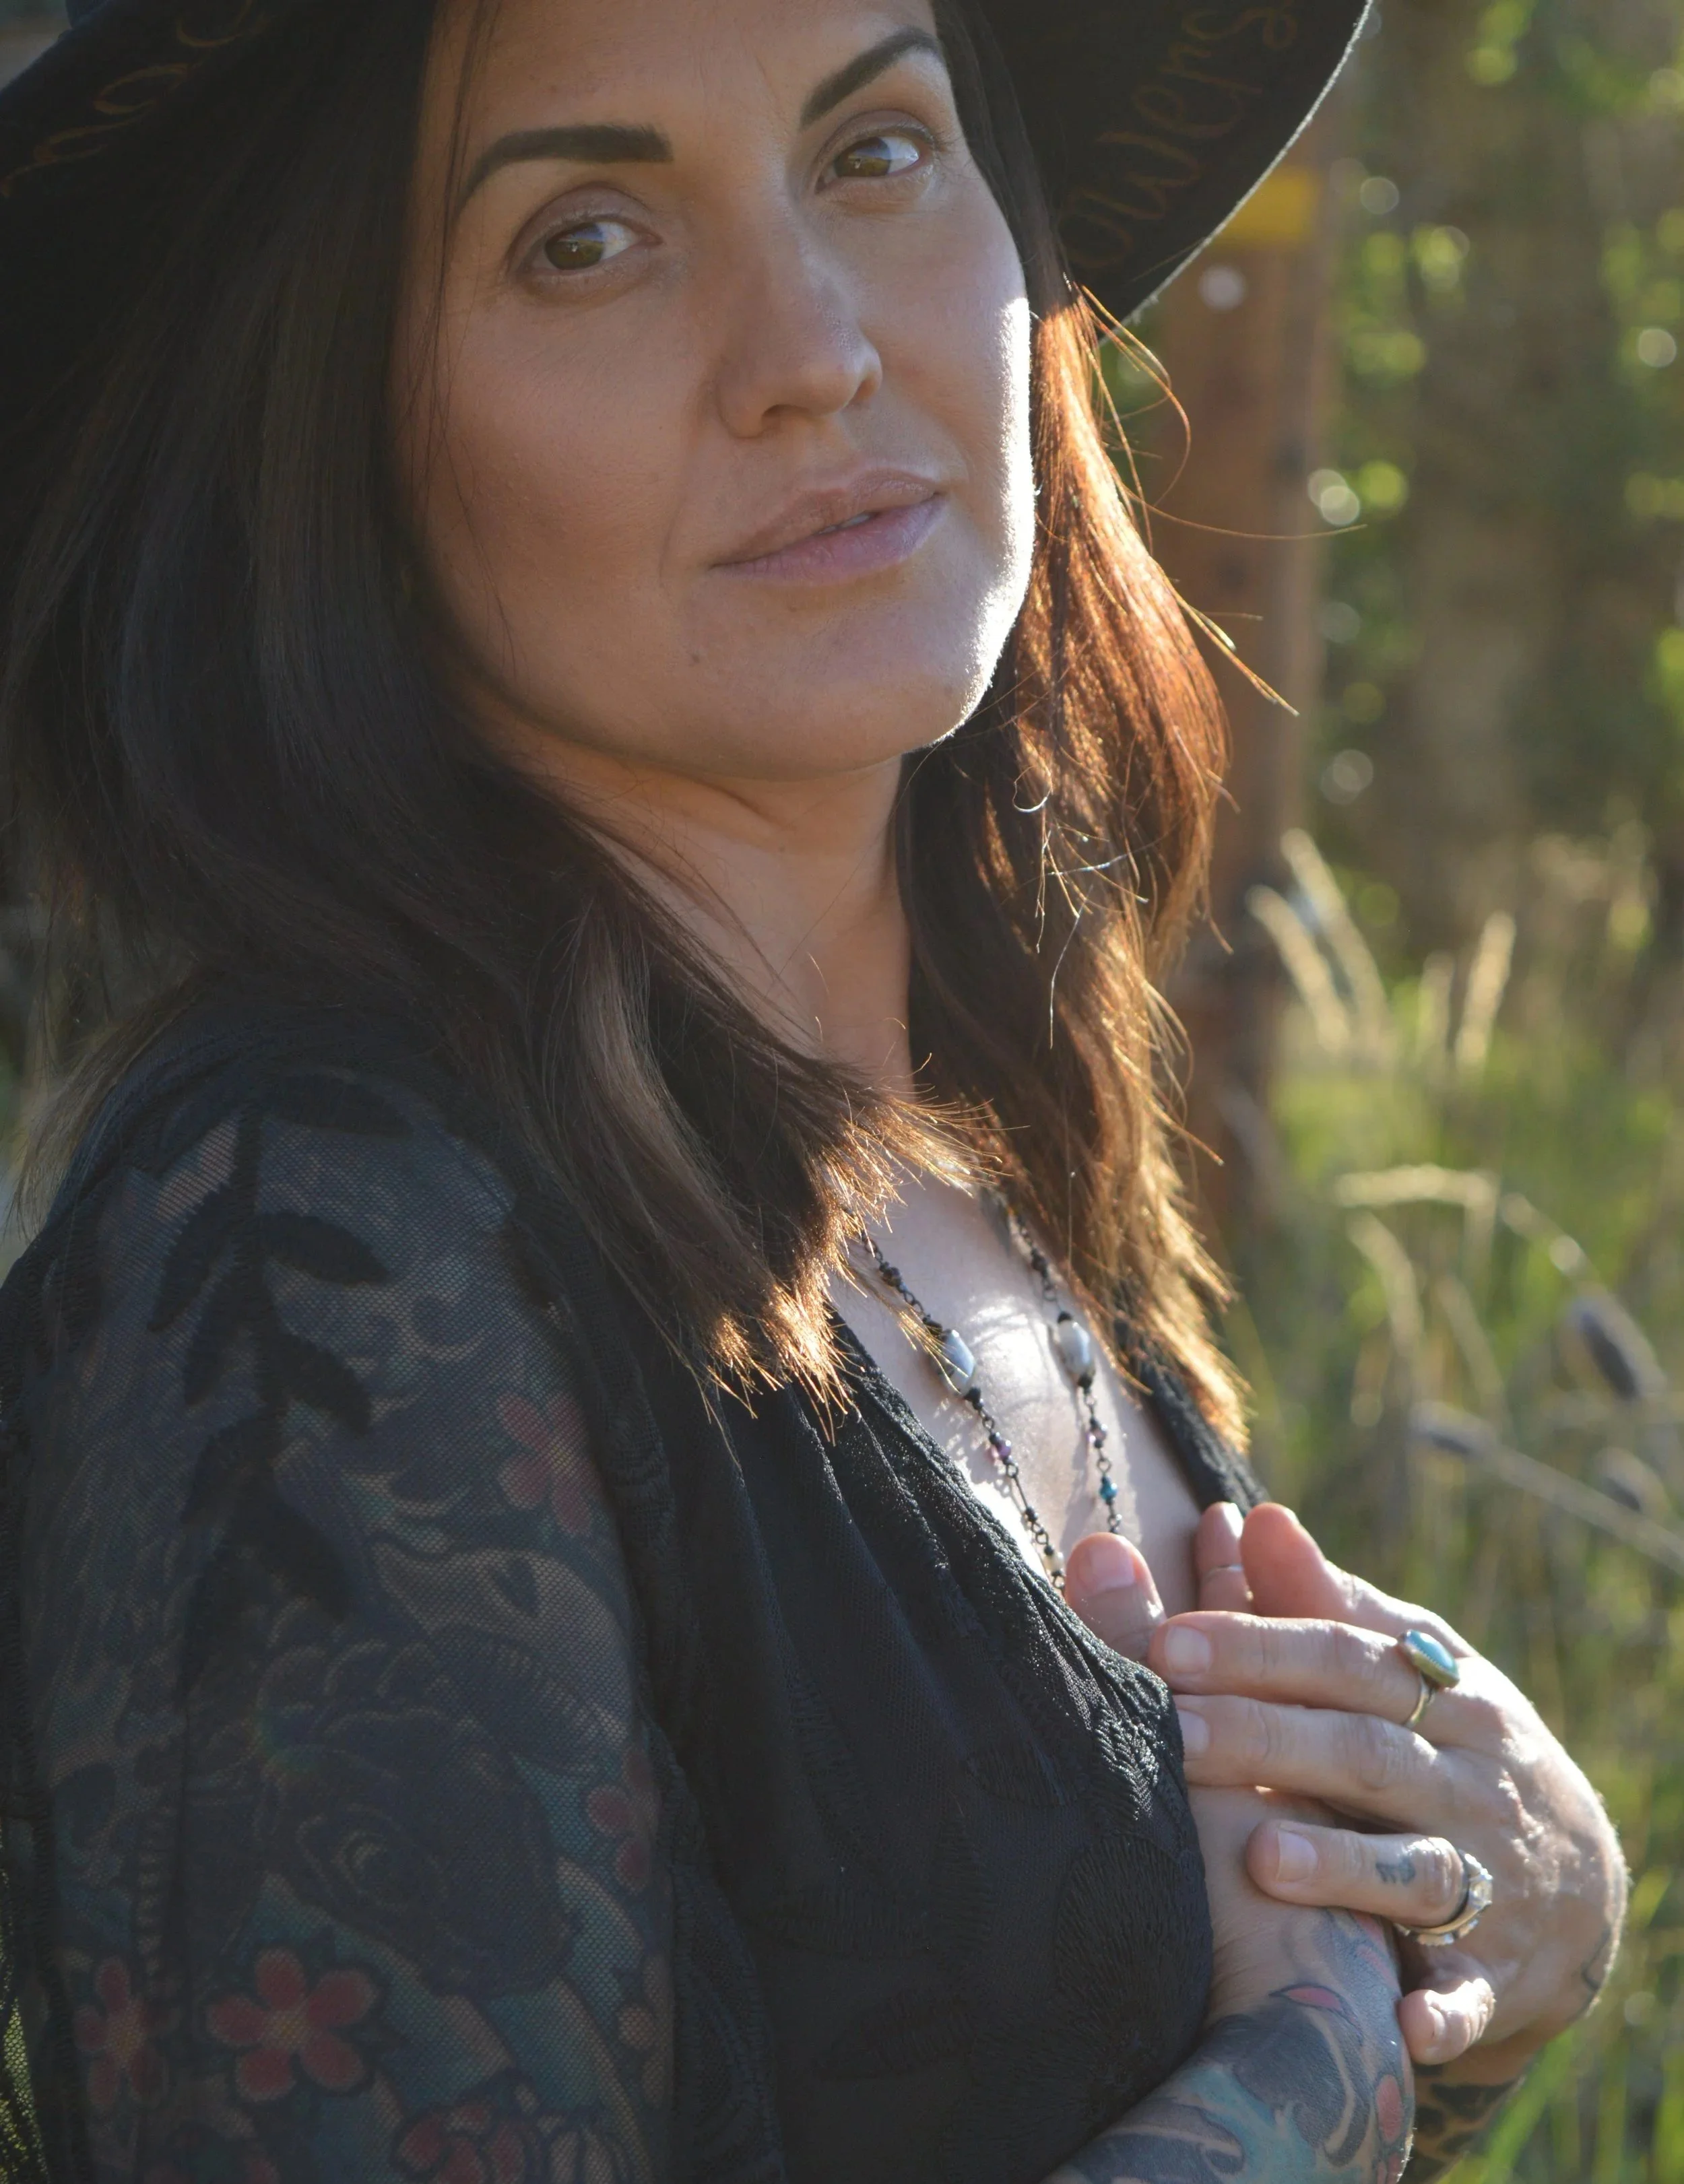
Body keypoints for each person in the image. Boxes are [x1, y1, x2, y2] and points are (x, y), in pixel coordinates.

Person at [0, 1, 1623, 2179]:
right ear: (330, 427)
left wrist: (1488, 1943)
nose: (814, 345)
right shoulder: (309, 1264)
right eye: (584, 236)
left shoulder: (968, 1142)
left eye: (875, 153)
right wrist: (1314, 2077)